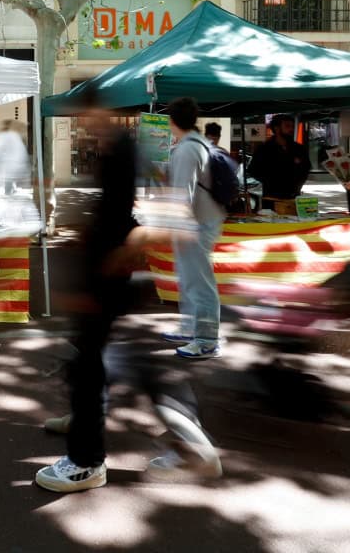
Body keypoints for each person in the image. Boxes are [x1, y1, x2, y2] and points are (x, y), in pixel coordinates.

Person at [35, 117, 222, 493]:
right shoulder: (121, 150)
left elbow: (172, 213)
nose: (88, 124)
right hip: (109, 274)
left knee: (106, 363)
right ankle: (187, 446)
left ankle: (89, 459)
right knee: (105, 361)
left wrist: (130, 243)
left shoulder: (140, 149)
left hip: (111, 277)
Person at [163, 97, 226, 359]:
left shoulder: (188, 149)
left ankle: (207, 340)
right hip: (200, 220)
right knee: (190, 279)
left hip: (195, 223)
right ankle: (191, 328)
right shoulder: (195, 144)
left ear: (172, 121)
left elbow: (183, 194)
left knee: (199, 282)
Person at [249, 114, 310, 202]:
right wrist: (271, 181)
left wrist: (297, 185)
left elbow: (306, 168)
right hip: (271, 197)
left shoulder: (299, 148)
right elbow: (253, 170)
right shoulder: (264, 149)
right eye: (287, 126)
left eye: (292, 126)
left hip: (293, 197)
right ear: (277, 128)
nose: (291, 129)